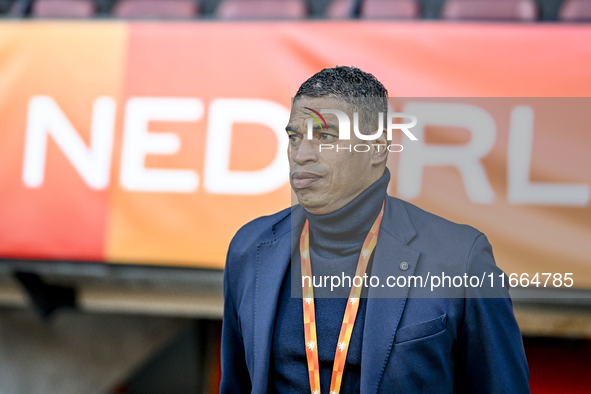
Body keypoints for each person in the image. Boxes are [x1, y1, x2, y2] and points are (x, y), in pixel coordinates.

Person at [220, 66, 529, 393]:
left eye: (325, 136)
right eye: (295, 136)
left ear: (378, 148)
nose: (302, 154)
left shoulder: (460, 258)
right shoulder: (250, 248)